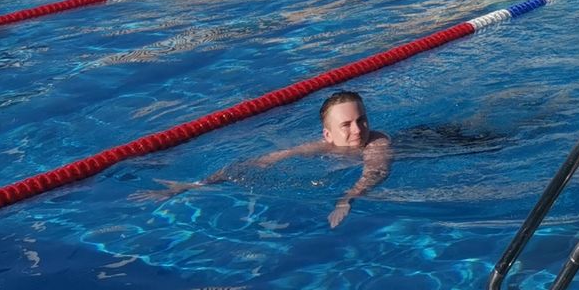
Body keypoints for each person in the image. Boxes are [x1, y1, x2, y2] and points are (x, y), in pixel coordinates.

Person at [142, 88, 393, 229]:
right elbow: (261, 161)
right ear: (327, 135)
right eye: (346, 125)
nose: (358, 130)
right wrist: (192, 185)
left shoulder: (376, 143)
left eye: (361, 120)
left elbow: (375, 172)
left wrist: (346, 199)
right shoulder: (322, 147)